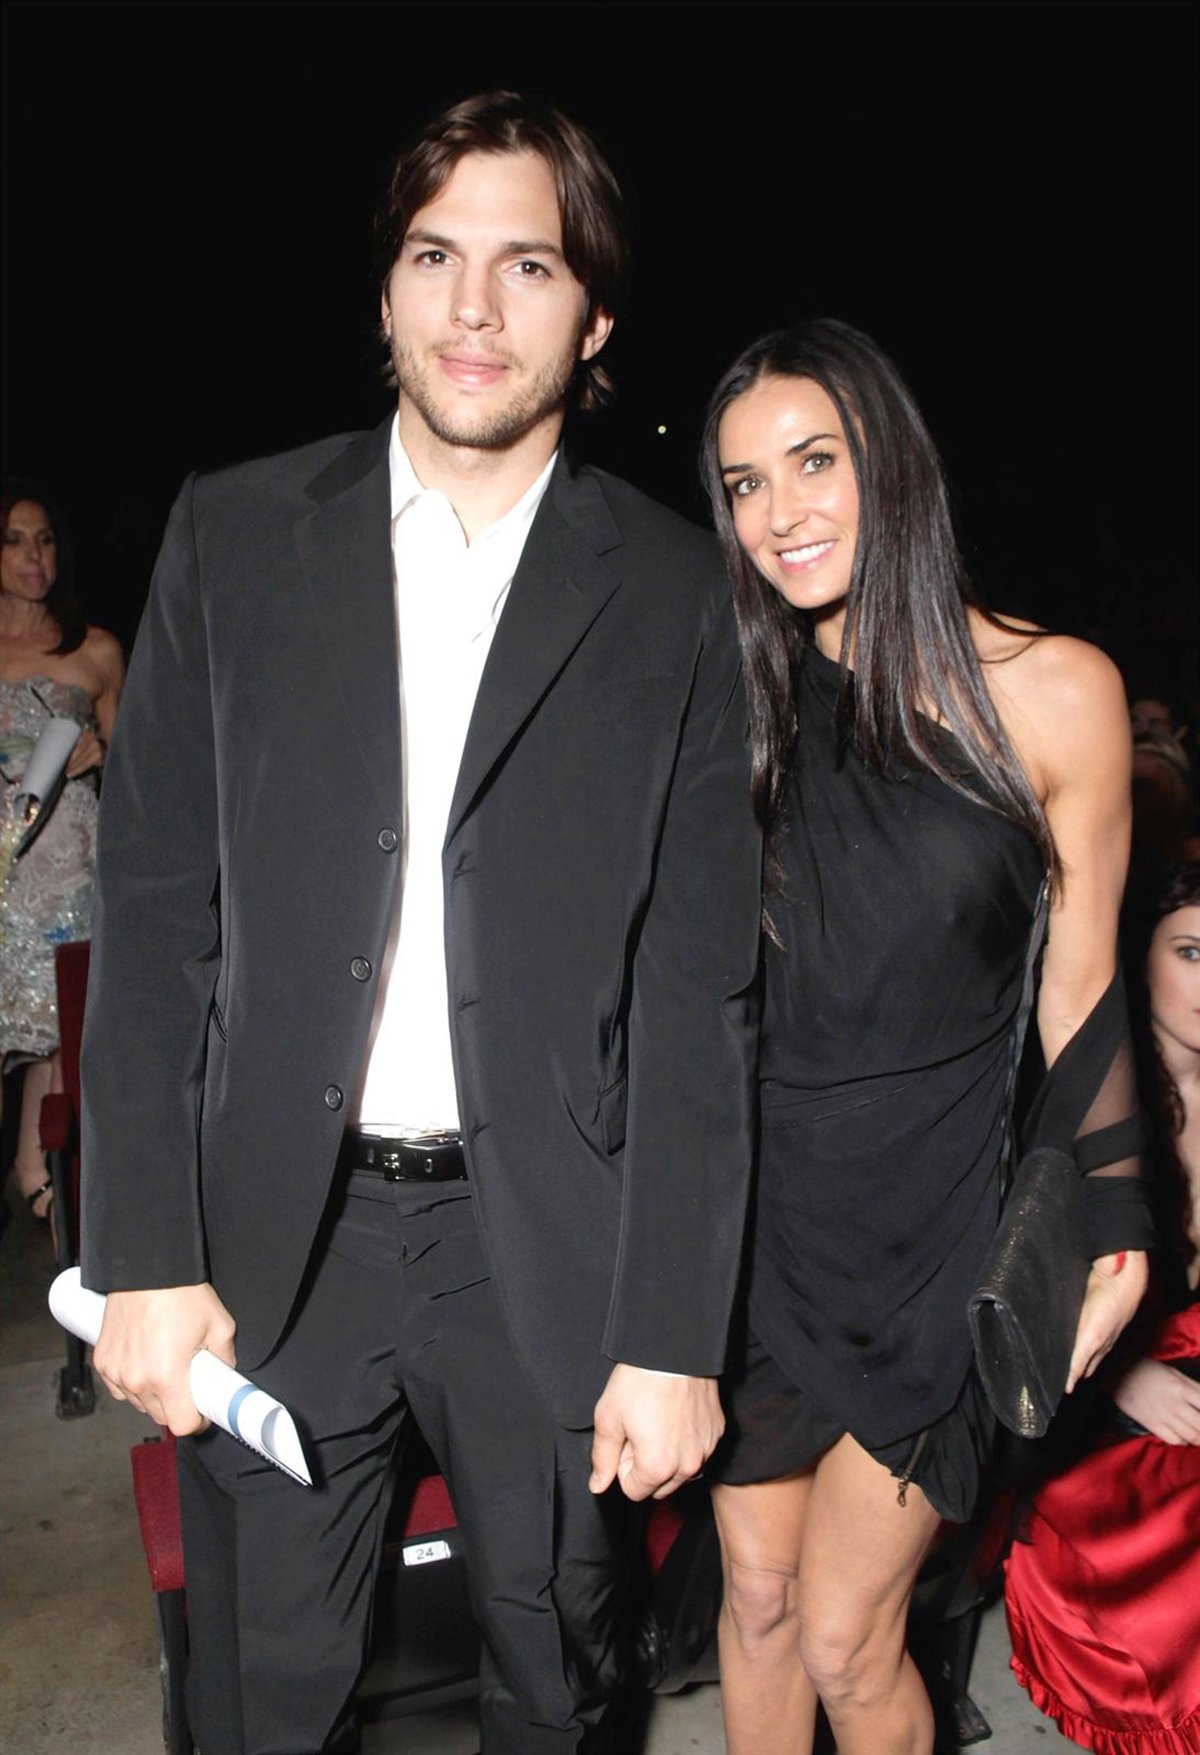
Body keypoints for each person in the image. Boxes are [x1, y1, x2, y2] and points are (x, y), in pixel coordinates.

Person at [80, 92, 760, 1755]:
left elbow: (698, 995)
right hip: (275, 1246)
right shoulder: (232, 534)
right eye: (434, 256)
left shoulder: (682, 593)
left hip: (550, 1252)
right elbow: (153, 914)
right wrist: (144, 1252)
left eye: (527, 266)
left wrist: (672, 1329)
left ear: (593, 319)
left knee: (560, 1686)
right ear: (383, 288)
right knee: (263, 1698)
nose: (472, 306)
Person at [698, 319, 1154, 1755]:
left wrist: (1118, 1212)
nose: (781, 511)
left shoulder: (1055, 691)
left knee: (847, 1632)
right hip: (757, 1229)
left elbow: (1081, 991)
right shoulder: (736, 702)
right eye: (744, 483)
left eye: (814, 460)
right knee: (758, 1600)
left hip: (933, 1231)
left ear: (889, 460)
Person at [1005, 858, 1200, 1754]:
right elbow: (1021, 1299)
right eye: (1191, 952)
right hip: (1089, 1383)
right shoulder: (1085, 1102)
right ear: (1136, 953)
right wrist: (1128, 1378)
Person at [0, 483, 124, 1238]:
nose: (32, 556)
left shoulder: (94, 649)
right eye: (15, 540)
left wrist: (105, 749)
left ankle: (38, 1173)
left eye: (44, 540)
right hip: (2, 866)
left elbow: (148, 767)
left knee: (63, 1014)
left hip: (72, 862)